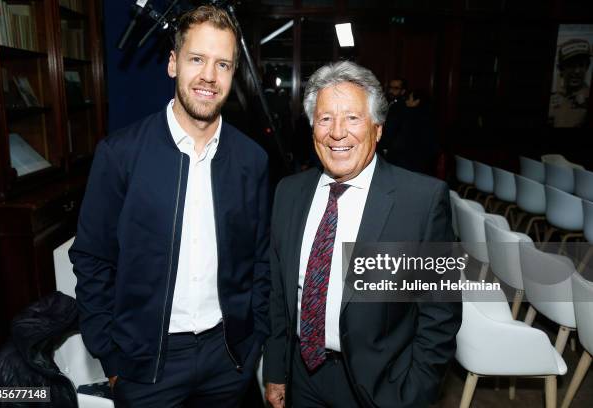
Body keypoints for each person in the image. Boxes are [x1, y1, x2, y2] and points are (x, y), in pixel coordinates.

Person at [69, 5, 270, 407]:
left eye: (223, 64)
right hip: (145, 367)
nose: (209, 77)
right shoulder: (119, 155)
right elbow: (92, 259)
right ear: (173, 64)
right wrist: (111, 356)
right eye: (197, 59)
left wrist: (254, 339)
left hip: (228, 361)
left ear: (234, 74)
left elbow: (261, 261)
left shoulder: (252, 161)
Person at [263, 61, 461, 408]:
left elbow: (440, 316)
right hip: (301, 377)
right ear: (312, 128)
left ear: (378, 128)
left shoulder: (421, 201)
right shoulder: (288, 193)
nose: (337, 132)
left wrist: (413, 395)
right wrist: (277, 371)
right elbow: (279, 295)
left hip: (381, 387)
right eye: (325, 119)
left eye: (352, 118)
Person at [549, 38, 592, 127]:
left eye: (581, 65)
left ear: (586, 67)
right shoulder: (554, 97)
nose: (577, 71)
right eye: (571, 65)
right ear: (561, 69)